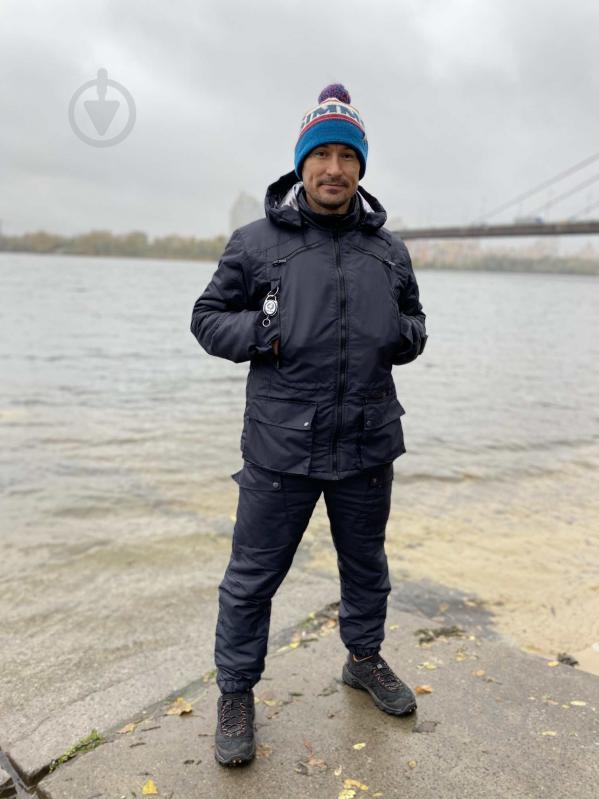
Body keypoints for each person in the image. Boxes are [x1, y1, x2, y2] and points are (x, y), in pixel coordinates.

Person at [190, 84, 428, 766]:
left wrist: (400, 337)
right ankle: (235, 692)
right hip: (279, 447)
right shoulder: (254, 244)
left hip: (366, 441)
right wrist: (264, 329)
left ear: (359, 168)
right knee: (250, 580)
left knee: (366, 568)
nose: (332, 168)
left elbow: (413, 325)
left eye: (344, 155)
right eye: (319, 154)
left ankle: (363, 657)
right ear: (301, 165)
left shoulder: (389, 250)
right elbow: (207, 318)